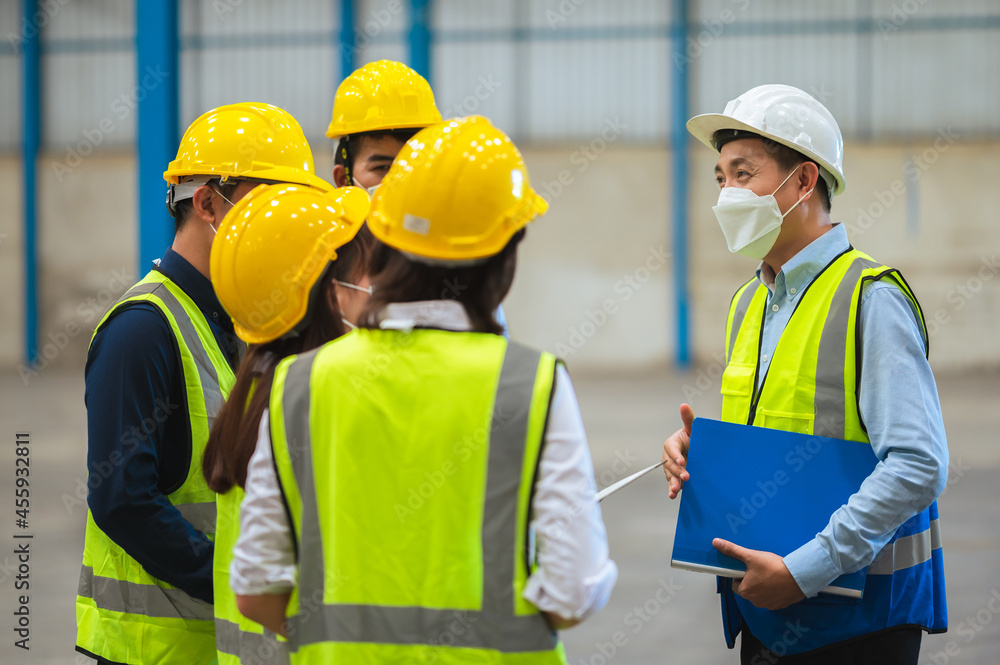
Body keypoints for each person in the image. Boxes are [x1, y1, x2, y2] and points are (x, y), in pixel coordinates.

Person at [232, 116, 617, 663]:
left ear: (383, 239)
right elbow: (573, 590)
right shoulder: (530, 384)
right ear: (505, 255)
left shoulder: (301, 383)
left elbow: (255, 589)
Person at [661, 84, 948, 663]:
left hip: (857, 625)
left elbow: (918, 464)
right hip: (762, 614)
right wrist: (701, 452)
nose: (727, 194)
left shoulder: (870, 297)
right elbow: (781, 431)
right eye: (720, 178)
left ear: (804, 181)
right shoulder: (750, 301)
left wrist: (805, 569)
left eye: (744, 173)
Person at [76, 103, 335, 665]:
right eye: (267, 206)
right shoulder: (142, 330)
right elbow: (122, 498)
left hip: (215, 642)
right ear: (209, 203)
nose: (279, 227)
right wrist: (236, 580)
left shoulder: (245, 318)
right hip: (153, 648)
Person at [202, 182, 372, 665]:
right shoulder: (310, 405)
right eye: (361, 270)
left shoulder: (255, 392)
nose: (374, 283)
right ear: (327, 295)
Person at [327, 58, 511, 334]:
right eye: (383, 168)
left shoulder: (459, 269)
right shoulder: (320, 269)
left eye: (411, 166)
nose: (401, 182)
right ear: (344, 179)